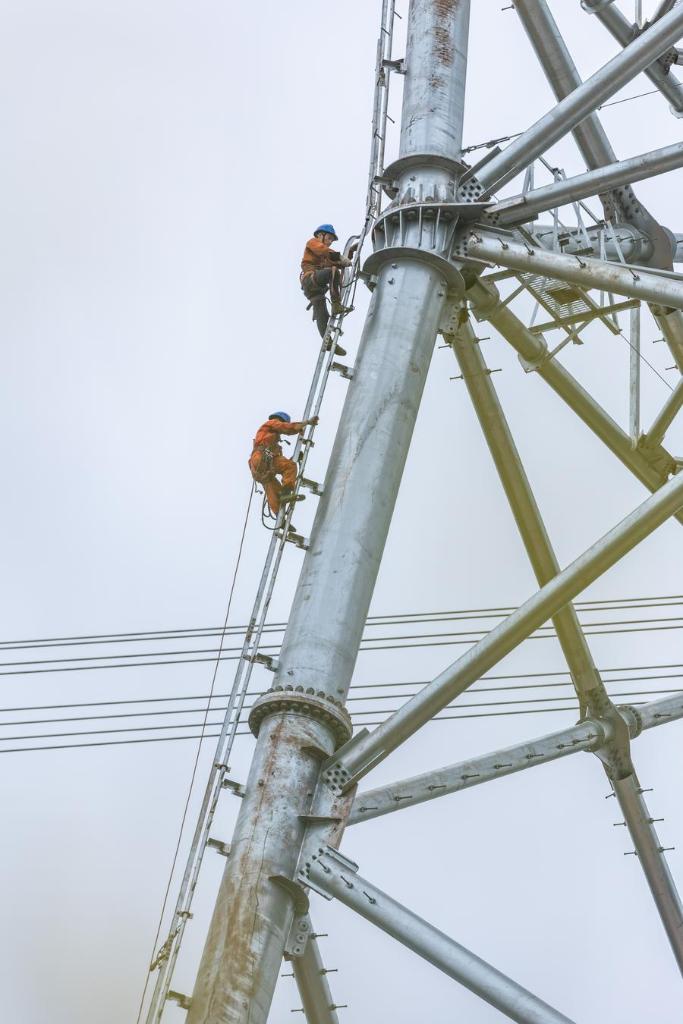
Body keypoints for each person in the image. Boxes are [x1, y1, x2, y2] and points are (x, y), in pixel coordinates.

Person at [248, 411, 318, 516]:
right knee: (290, 466)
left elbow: (280, 463)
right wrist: (306, 422)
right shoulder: (272, 422)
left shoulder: (273, 446)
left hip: (258, 464)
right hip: (261, 457)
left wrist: (294, 458)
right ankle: (285, 493)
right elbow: (286, 427)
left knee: (272, 488)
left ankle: (279, 515)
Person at [300, 224, 354, 350]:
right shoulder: (313, 243)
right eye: (329, 238)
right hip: (310, 279)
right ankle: (336, 304)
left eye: (331, 240)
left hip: (314, 289)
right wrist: (340, 257)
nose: (330, 242)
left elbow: (337, 262)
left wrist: (349, 254)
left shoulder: (324, 257)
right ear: (320, 235)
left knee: (322, 314)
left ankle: (328, 343)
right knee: (332, 271)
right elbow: (324, 250)